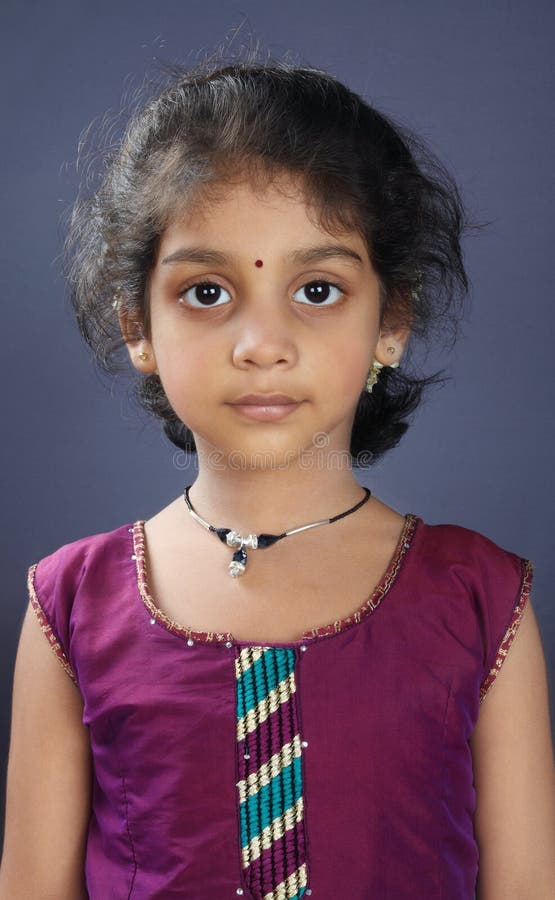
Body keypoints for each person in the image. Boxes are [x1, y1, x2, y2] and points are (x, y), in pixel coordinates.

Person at [1, 53, 554, 900]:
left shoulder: (480, 599)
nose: (263, 343)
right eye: (208, 292)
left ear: (392, 320)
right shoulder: (71, 603)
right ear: (136, 327)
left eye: (320, 289)